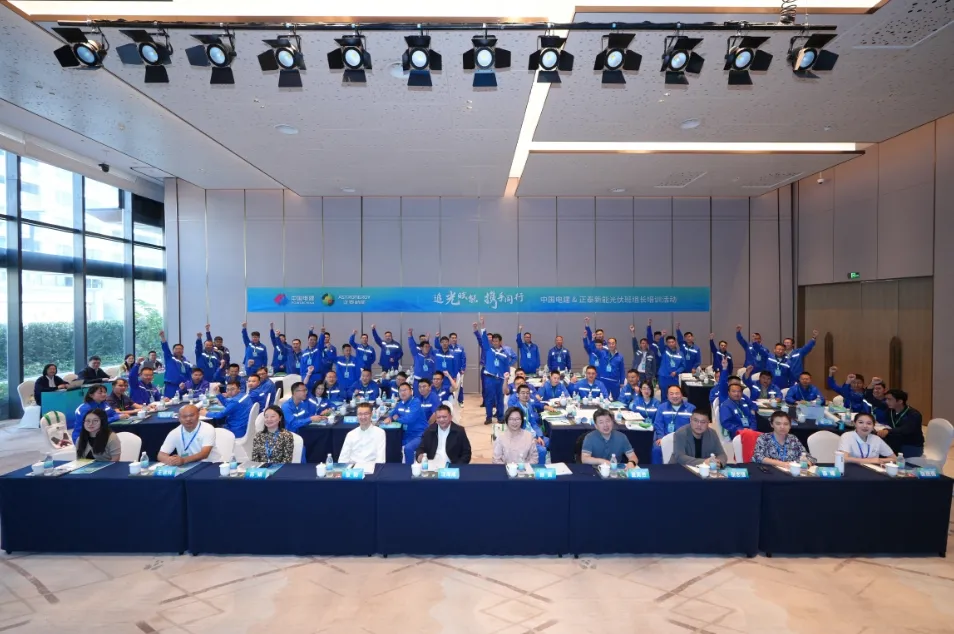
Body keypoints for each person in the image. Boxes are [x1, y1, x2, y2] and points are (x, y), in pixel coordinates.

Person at [475, 319, 509, 425]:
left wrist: (506, 378)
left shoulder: (505, 353)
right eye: (493, 341)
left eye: (497, 341)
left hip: (500, 379)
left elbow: (506, 367)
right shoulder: (488, 349)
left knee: (500, 399)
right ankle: (488, 417)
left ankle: (500, 417)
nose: (495, 342)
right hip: (489, 378)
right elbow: (484, 338)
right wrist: (483, 325)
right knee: (489, 398)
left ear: (500, 342)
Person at [384, 382, 427, 463]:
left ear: (411, 392)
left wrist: (397, 419)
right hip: (407, 434)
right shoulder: (400, 403)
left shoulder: (416, 402)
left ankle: (408, 468)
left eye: (405, 390)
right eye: (400, 391)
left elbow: (409, 419)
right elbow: (393, 413)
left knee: (408, 448)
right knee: (392, 444)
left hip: (420, 434)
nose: (403, 392)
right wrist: (390, 417)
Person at [651, 385, 696, 463]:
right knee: (656, 450)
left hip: (684, 440)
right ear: (667, 396)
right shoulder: (662, 407)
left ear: (682, 395)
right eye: (671, 394)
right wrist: (661, 438)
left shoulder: (691, 408)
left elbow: (694, 427)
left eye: (677, 393)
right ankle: (657, 470)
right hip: (664, 438)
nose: (674, 396)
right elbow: (658, 424)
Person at [877, 389, 924, 457]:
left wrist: (888, 431)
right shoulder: (890, 411)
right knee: (877, 451)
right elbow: (872, 400)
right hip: (896, 442)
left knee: (889, 457)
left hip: (911, 445)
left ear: (900, 401)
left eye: (889, 399)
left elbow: (907, 429)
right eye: (886, 399)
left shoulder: (914, 414)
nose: (886, 401)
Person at [159, 330, 193, 398]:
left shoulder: (187, 362)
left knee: (183, 402)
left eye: (180, 349)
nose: (178, 350)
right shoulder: (169, 358)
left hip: (183, 387)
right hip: (171, 387)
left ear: (183, 350)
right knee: (170, 402)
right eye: (176, 349)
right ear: (173, 350)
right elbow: (165, 348)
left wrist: (188, 385)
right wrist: (162, 337)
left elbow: (190, 375)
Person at [406, 329, 436, 396]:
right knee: (417, 398)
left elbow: (434, 370)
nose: (427, 348)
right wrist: (410, 335)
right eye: (425, 347)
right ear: (421, 348)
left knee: (428, 398)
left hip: (428, 382)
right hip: (418, 382)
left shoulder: (432, 358)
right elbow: (412, 345)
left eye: (428, 347)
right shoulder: (416, 355)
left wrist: (433, 381)